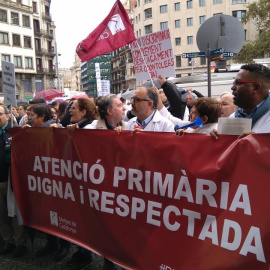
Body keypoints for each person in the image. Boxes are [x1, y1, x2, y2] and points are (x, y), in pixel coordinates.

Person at [211, 63, 270, 139]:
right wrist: (217, 137)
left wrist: (259, 143)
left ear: (255, 88)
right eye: (233, 83)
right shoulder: (234, 117)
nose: (232, 87)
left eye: (238, 83)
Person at [0, 105, 29, 258]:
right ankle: (8, 240)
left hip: (11, 180)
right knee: (2, 214)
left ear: (7, 115)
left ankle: (20, 243)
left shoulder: (15, 131)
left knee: (14, 213)